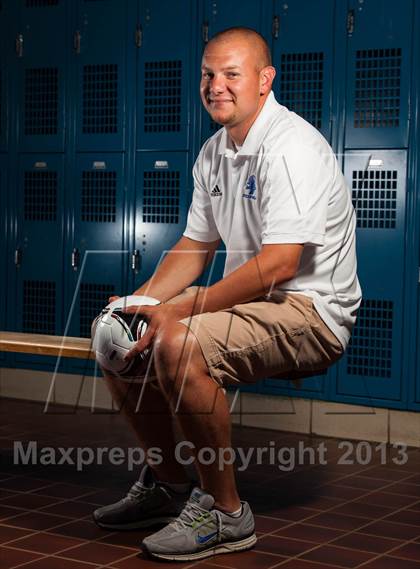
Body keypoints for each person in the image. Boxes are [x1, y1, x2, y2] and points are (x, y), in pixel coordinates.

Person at [92, 27, 361, 561]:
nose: (216, 86)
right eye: (208, 74)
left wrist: (186, 307)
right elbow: (194, 246)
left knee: (179, 343)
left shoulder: (291, 148)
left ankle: (227, 514)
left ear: (265, 81)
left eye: (231, 74)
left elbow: (281, 264)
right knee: (117, 339)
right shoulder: (215, 151)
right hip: (255, 306)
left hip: (310, 311)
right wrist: (133, 305)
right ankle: (168, 486)